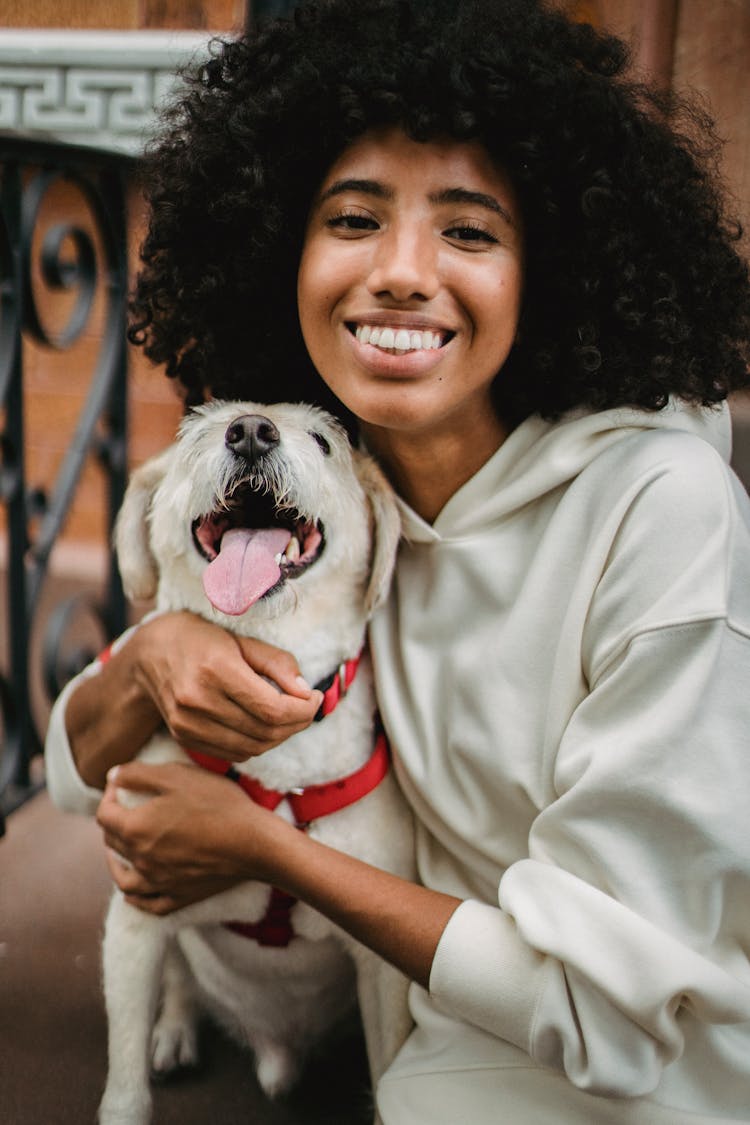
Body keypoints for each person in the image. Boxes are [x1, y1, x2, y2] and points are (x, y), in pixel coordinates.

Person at [44, 0, 750, 1121]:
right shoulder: (325, 512)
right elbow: (76, 775)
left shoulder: (663, 515)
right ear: (286, 247)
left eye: (469, 231)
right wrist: (149, 660)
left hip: (642, 1077)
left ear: (550, 269)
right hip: (435, 1030)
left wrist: (268, 853)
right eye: (354, 219)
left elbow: (611, 1015)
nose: (402, 274)